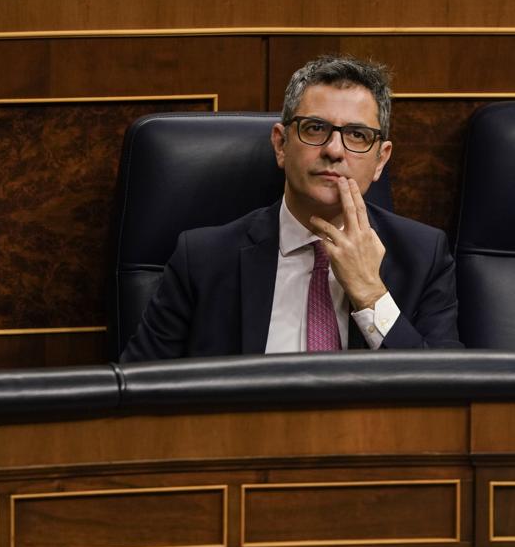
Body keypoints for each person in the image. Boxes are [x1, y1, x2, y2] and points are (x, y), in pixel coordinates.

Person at [121, 55, 461, 361]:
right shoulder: (202, 260)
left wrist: (371, 293)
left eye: (357, 135)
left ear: (380, 159)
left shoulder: (423, 257)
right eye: (315, 128)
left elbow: (446, 396)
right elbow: (139, 393)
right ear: (281, 144)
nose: (334, 150)